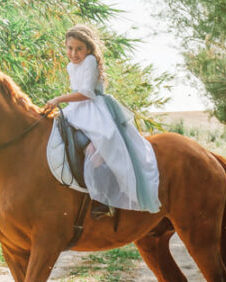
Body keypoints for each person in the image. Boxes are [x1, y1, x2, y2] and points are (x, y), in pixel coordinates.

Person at [44, 25, 161, 214]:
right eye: (70, 48)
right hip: (78, 108)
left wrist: (58, 99)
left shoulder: (90, 61)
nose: (73, 53)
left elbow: (87, 93)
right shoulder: (70, 65)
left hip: (94, 108)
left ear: (89, 49)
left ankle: (106, 197)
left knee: (101, 145)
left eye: (79, 48)